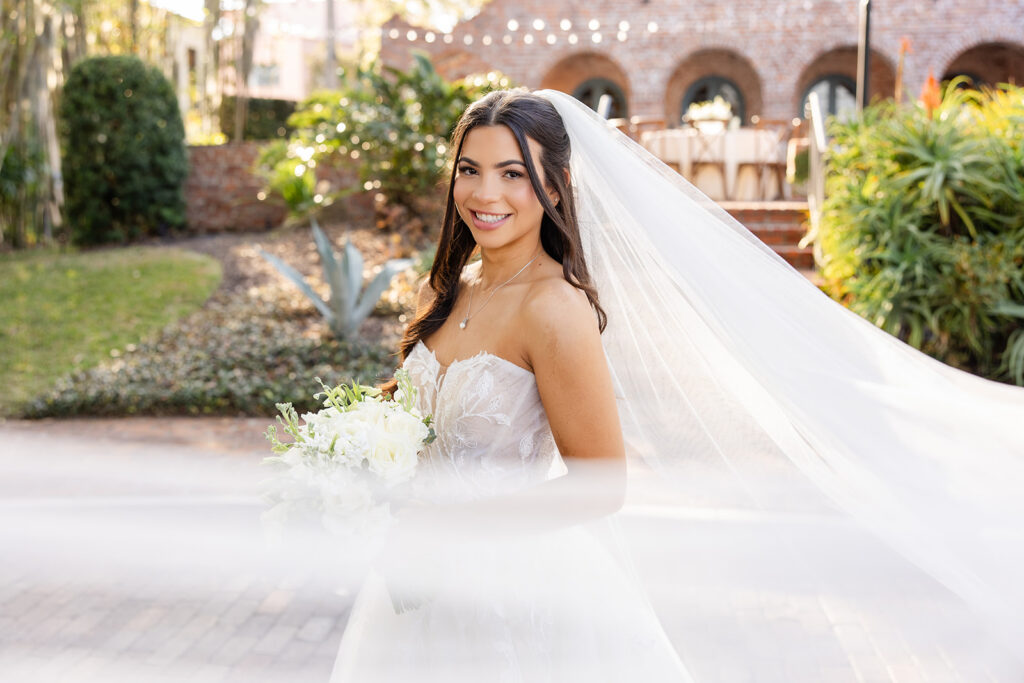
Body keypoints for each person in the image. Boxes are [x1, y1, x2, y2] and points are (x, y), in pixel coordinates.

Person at [331, 88, 1024, 681]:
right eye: (470, 170)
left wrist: (451, 525)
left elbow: (602, 484)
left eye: (513, 173)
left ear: (556, 186)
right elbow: (418, 429)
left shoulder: (554, 309)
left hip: (510, 591)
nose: (486, 194)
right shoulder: (445, 287)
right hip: (416, 581)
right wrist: (361, 467)